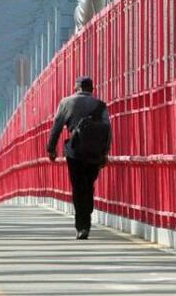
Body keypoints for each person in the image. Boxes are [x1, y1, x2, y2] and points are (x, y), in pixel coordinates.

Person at [46, 76, 111, 240]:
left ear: (76, 88)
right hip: (94, 152)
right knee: (88, 185)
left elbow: (57, 127)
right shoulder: (100, 105)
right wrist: (105, 153)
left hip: (74, 152)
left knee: (77, 187)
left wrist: (51, 149)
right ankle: (86, 220)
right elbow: (108, 130)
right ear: (92, 89)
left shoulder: (66, 102)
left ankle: (81, 225)